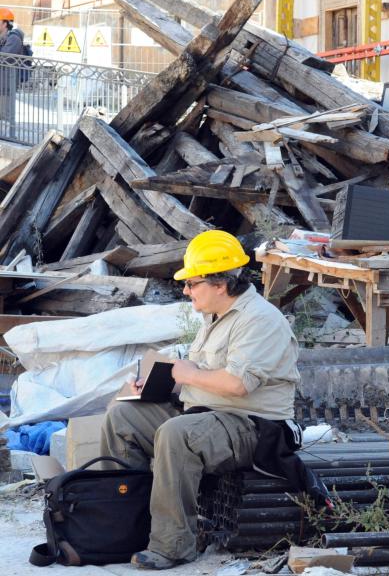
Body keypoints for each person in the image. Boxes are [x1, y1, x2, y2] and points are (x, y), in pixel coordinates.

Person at [100, 230, 302, 570]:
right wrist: (155, 386)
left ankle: (175, 544)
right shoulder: (215, 318)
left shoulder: (259, 320)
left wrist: (187, 374)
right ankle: (124, 528)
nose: (185, 290)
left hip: (252, 425)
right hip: (208, 412)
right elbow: (201, 377)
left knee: (177, 434)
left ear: (219, 284)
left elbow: (237, 385)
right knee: (123, 418)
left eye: (192, 283)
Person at [0, 8, 24, 122]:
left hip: (6, 84)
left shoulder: (14, 38)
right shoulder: (4, 38)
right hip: (2, 83)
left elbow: (4, 57)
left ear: (5, 23)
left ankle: (8, 135)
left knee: (3, 116)